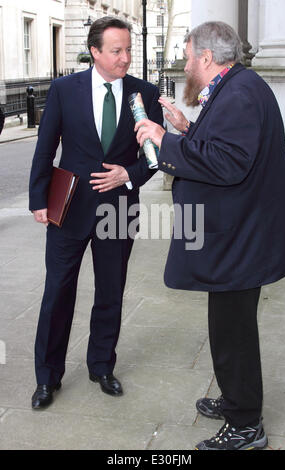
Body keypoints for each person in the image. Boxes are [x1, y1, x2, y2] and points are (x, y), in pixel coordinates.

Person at [135, 21, 285, 451]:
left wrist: (162, 142)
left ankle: (246, 426)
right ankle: (235, 399)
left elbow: (228, 164)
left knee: (235, 334)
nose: (186, 64)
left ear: (206, 57)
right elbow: (227, 148)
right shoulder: (237, 87)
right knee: (228, 327)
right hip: (238, 237)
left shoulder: (241, 93)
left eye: (189, 56)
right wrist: (186, 130)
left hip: (241, 242)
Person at [29, 16, 163, 409]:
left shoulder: (145, 93)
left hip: (118, 210)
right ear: (95, 52)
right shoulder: (63, 90)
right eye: (117, 51)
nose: (125, 58)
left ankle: (102, 365)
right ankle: (47, 377)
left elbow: (155, 155)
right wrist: (39, 199)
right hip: (68, 208)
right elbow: (45, 147)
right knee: (57, 292)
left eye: (128, 51)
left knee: (110, 291)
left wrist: (129, 173)